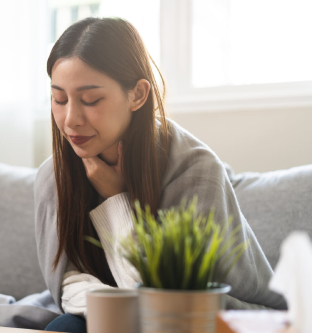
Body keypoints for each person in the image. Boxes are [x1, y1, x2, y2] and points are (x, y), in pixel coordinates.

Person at [34, 17, 286, 333]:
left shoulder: (195, 171)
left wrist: (116, 200)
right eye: (59, 99)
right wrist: (117, 308)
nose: (70, 119)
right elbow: (67, 285)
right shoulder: (52, 176)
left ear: (138, 95)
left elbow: (171, 307)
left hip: (208, 319)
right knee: (65, 327)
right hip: (114, 318)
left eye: (91, 100)